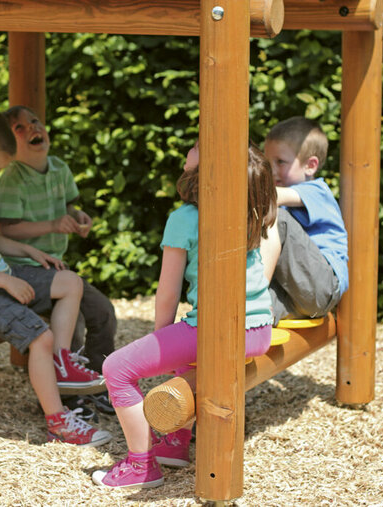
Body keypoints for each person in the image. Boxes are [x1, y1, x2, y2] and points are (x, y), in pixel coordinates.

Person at [91, 142, 278, 488]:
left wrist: (158, 338)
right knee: (186, 349)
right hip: (259, 328)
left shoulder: (185, 218)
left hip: (218, 329)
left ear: (205, 171)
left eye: (197, 145)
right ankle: (174, 444)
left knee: (116, 369)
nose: (192, 144)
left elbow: (168, 292)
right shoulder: (246, 207)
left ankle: (141, 466)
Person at [0, 107, 111, 447]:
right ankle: (58, 423)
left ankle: (62, 365)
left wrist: (29, 252)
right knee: (40, 337)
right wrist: (6, 281)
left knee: (70, 282)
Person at [0, 105, 117, 415]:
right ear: (8, 145)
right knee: (71, 326)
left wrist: (78, 217)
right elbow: (5, 228)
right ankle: (66, 398)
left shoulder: (60, 168)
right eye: (19, 128)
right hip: (23, 271)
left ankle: (97, 384)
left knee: (103, 312)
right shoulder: (10, 179)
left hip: (57, 268)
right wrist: (52, 225)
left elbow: (70, 208)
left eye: (35, 121)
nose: (32, 128)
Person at [259, 116, 349, 323]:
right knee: (251, 308)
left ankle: (256, 287)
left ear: (310, 165)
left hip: (323, 285)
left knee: (276, 219)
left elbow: (272, 198)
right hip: (294, 293)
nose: (271, 170)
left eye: (280, 162)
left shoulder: (317, 191)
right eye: (268, 161)